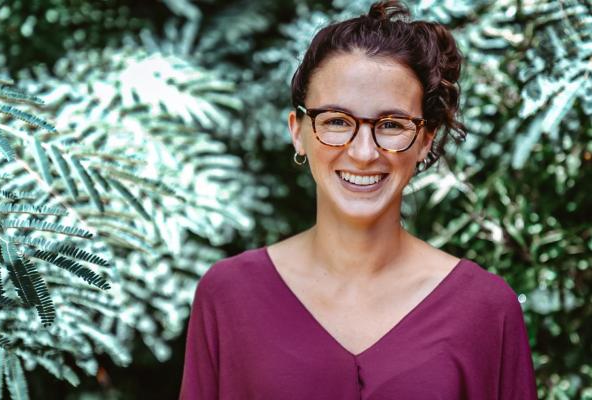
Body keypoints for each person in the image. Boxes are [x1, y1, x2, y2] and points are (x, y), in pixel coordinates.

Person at [179, 1, 538, 399]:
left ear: (425, 139)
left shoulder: (485, 309)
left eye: (390, 124)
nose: (364, 152)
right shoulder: (229, 295)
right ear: (298, 131)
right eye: (336, 121)